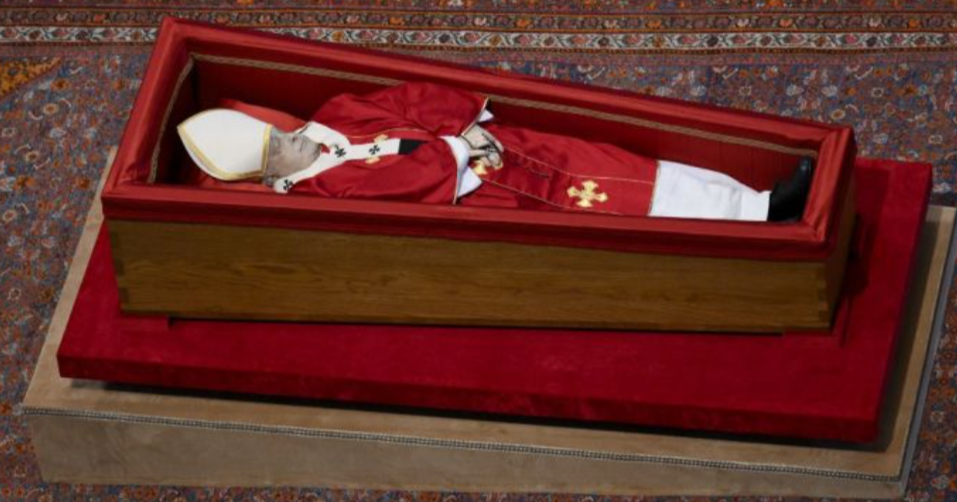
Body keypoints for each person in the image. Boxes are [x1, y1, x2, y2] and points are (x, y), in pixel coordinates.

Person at [177, 82, 813, 221]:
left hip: (512, 150)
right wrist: (457, 147)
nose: (298, 135)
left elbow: (409, 101)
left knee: (629, 167)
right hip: (500, 197)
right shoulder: (324, 194)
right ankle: (757, 225)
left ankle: (754, 200)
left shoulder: (334, 115)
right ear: (272, 175)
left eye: (285, 129)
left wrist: (464, 123)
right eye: (286, 145)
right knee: (626, 210)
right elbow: (404, 189)